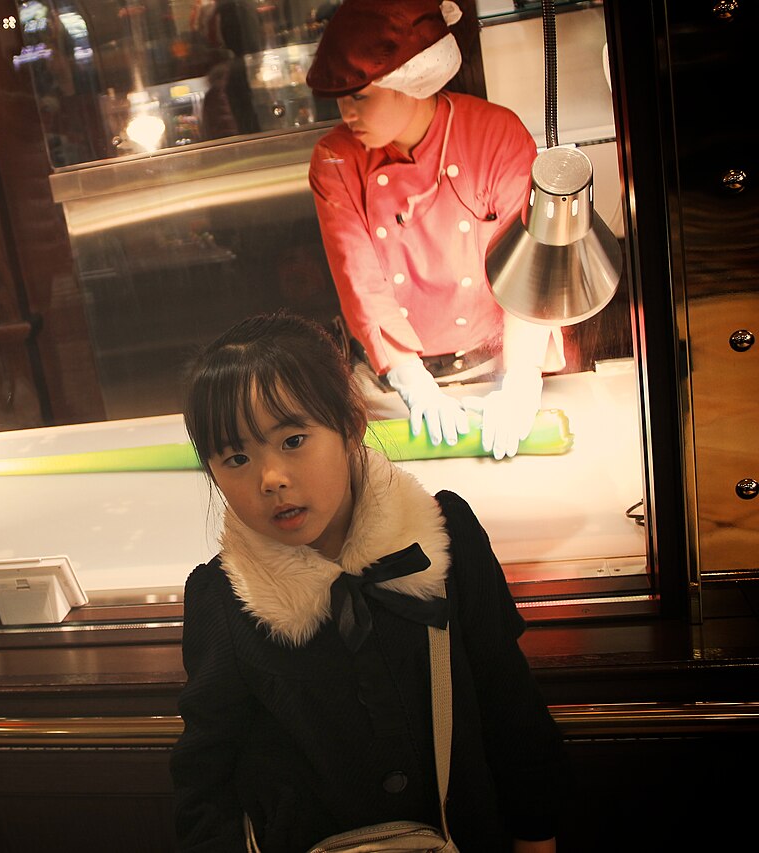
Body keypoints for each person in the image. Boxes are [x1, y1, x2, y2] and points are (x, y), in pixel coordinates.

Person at [170, 311, 570, 851]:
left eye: (292, 440)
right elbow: (205, 779)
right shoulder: (221, 597)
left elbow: (510, 706)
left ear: (349, 423)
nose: (270, 479)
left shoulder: (445, 537)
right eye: (236, 457)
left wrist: (536, 836)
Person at [305, 0, 565, 460]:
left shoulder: (496, 135)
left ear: (411, 80)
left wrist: (522, 379)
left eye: (360, 96)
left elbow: (529, 268)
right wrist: (412, 383)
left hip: (498, 368)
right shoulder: (335, 159)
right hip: (393, 386)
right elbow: (359, 280)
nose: (347, 113)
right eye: (341, 99)